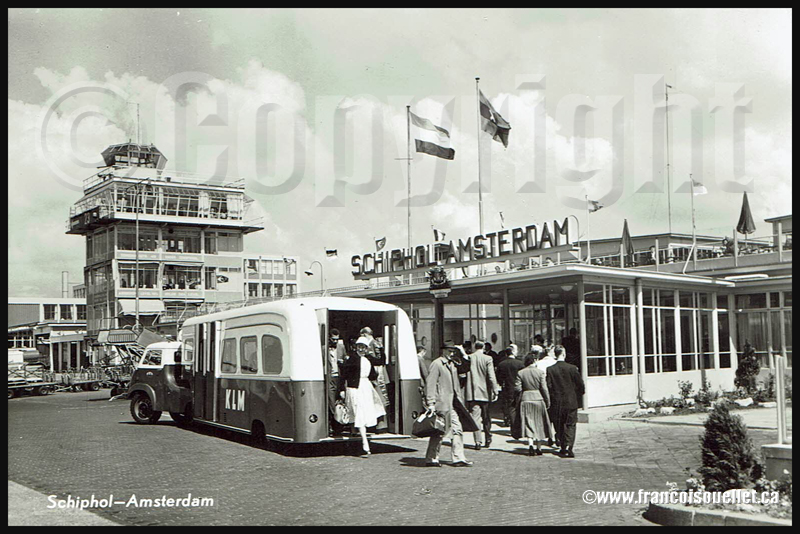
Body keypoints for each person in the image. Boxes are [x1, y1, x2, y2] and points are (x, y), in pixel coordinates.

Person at [424, 346, 476, 467]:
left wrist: (463, 352)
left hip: (453, 403)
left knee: (457, 429)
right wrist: (431, 402)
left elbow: (466, 367)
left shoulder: (453, 364)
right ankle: (431, 458)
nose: (452, 354)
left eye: (453, 351)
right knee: (439, 432)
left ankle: (458, 458)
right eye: (449, 351)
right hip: (442, 403)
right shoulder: (437, 364)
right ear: (443, 351)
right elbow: (430, 384)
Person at [338, 337, 386, 457]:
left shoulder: (368, 358)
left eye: (364, 347)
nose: (362, 349)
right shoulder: (352, 359)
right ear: (356, 347)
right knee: (359, 412)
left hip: (366, 387)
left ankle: (356, 432)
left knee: (363, 411)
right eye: (360, 347)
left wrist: (381, 348)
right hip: (354, 388)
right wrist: (341, 390)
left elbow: (381, 361)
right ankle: (365, 441)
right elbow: (343, 375)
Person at [546, 347, 585, 458]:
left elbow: (548, 386)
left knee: (559, 424)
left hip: (557, 402)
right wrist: (578, 394)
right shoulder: (572, 368)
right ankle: (569, 446)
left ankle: (563, 446)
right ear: (564, 354)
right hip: (571, 400)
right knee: (571, 424)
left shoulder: (550, 369)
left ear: (555, 354)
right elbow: (580, 384)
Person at [465, 340, 499, 450]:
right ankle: (488, 437)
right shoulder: (487, 359)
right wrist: (495, 390)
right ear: (483, 347)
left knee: (475, 417)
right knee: (486, 417)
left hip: (473, 392)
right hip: (485, 392)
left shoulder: (469, 358)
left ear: (475, 347)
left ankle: (477, 441)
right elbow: (491, 376)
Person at [515, 353, 551, 456]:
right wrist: (547, 400)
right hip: (538, 399)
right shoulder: (540, 373)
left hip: (525, 399)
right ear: (535, 360)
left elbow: (517, 388)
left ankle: (530, 444)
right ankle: (539, 447)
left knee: (528, 423)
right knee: (539, 423)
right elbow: (544, 388)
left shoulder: (520, 373)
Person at [495, 344, 524, 427]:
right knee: (516, 404)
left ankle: (507, 418)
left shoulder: (501, 364)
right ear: (513, 353)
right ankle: (516, 421)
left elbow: (498, 376)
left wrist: (501, 383)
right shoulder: (519, 364)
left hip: (506, 386)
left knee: (507, 404)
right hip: (518, 387)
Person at [328, 328, 346, 428]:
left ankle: (339, 424)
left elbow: (345, 358)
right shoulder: (323, 348)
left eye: (337, 339)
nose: (335, 341)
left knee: (340, 400)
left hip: (339, 377)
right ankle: (334, 423)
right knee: (331, 400)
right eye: (333, 339)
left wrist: (343, 362)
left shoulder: (341, 347)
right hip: (330, 377)